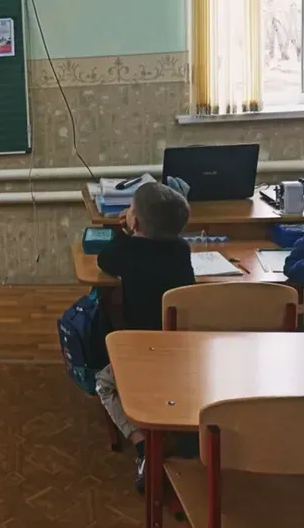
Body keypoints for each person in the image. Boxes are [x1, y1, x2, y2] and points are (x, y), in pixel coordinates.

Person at [95, 182, 194, 492]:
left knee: (104, 382)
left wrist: (124, 231)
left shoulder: (127, 250)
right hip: (181, 350)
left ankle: (142, 445)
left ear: (134, 221)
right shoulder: (182, 249)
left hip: (142, 352)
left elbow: (104, 259)